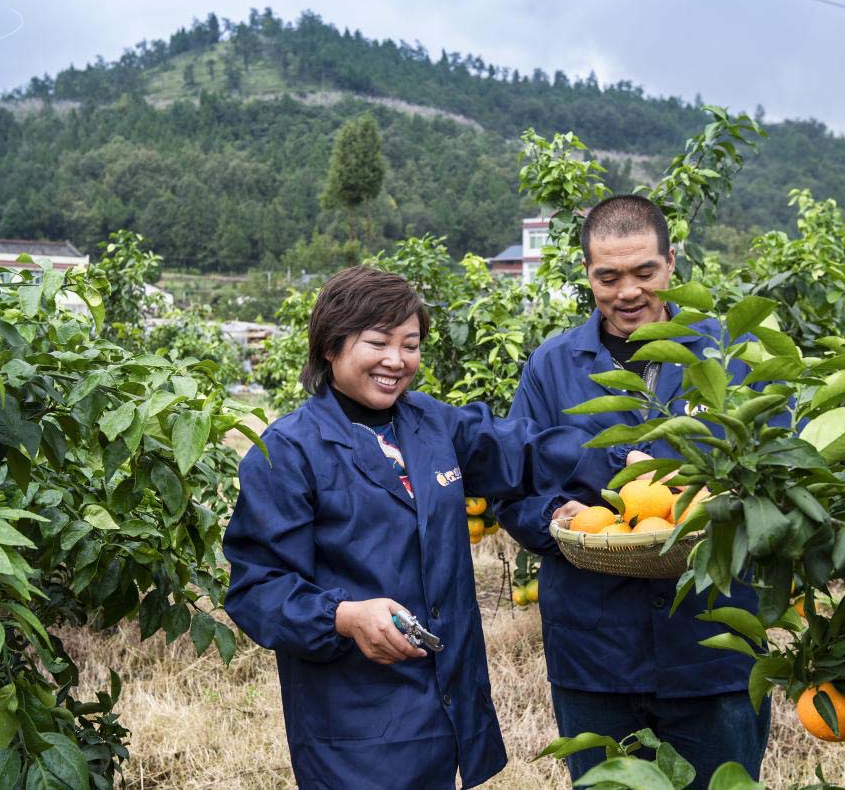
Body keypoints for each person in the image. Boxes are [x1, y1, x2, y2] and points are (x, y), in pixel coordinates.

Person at [222, 266, 616, 790]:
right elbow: (258, 589)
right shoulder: (290, 452)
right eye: (378, 342)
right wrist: (342, 615)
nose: (396, 360)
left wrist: (621, 462)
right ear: (331, 346)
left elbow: (524, 449)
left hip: (445, 703)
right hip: (355, 714)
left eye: (410, 344)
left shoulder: (430, 424)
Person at [495, 195, 773, 787]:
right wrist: (555, 516)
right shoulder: (552, 366)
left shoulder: (732, 358)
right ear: (588, 274)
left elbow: (778, 478)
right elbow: (513, 489)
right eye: (608, 276)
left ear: (672, 263)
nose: (628, 292)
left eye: (644, 271)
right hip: (596, 655)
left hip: (712, 647)